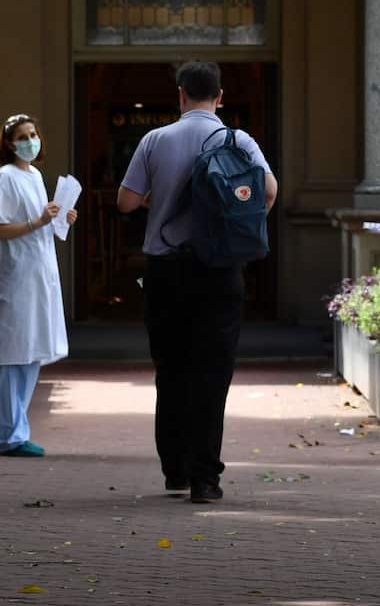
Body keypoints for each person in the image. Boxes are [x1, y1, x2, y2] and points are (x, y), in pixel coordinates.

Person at [117, 61, 278, 503]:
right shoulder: (239, 140)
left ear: (181, 95)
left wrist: (159, 200)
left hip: (166, 270)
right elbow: (269, 190)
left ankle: (175, 470)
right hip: (221, 270)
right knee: (213, 374)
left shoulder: (155, 139)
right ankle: (207, 479)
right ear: (220, 97)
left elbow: (125, 201)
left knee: (171, 371)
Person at [0, 113, 78, 457]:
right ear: (10, 143)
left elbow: (41, 226)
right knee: (13, 355)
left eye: (34, 134)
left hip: (38, 276)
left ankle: (17, 430)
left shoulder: (35, 175)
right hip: (16, 278)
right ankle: (8, 436)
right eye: (23, 136)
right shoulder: (5, 179)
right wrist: (39, 220)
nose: (30, 141)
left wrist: (59, 218)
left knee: (32, 352)